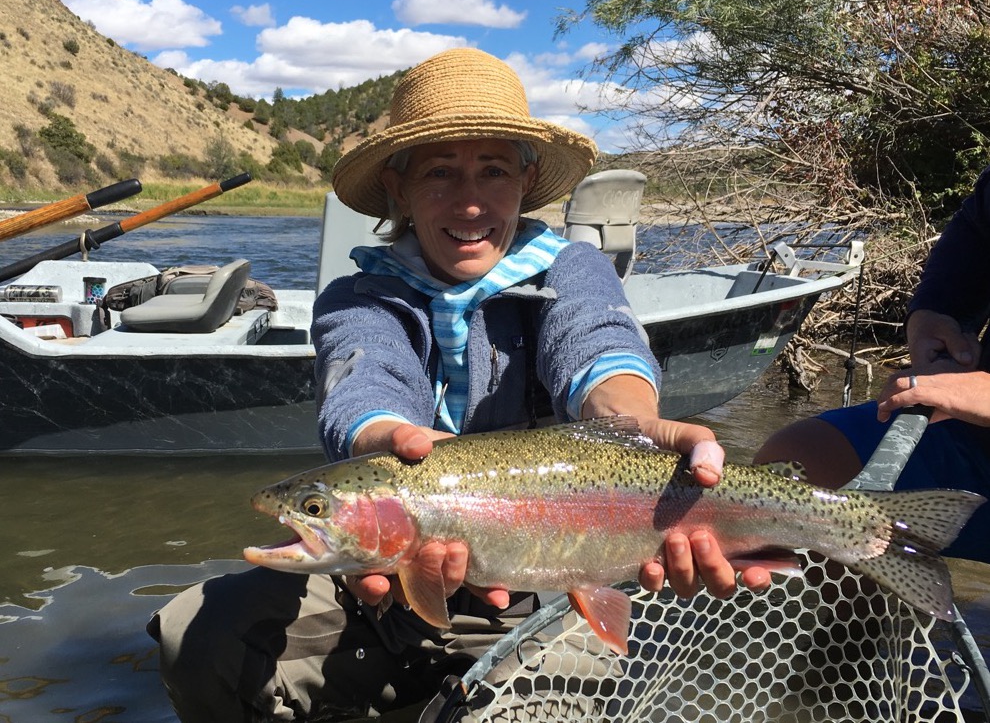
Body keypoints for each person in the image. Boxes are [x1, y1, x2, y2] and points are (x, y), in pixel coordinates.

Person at [148, 47, 769, 722]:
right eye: (441, 172)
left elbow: (599, 345)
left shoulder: (574, 268)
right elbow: (365, 381)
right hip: (379, 589)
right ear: (398, 190)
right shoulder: (359, 296)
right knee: (198, 634)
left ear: (526, 182)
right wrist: (389, 437)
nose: (470, 201)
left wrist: (629, 421)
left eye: (494, 171)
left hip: (547, 601)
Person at [753, 166, 990, 562]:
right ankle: (862, 624)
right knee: (800, 460)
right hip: (972, 442)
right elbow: (977, 227)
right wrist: (936, 314)